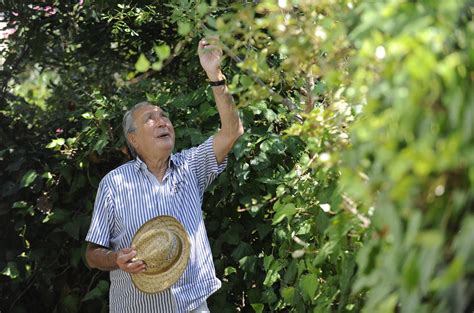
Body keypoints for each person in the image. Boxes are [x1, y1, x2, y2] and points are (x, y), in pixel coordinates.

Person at [84, 37, 244, 313]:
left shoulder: (190, 166)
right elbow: (91, 255)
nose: (162, 121)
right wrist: (116, 259)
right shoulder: (114, 183)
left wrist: (215, 76)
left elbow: (232, 132)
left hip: (193, 305)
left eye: (164, 116)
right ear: (133, 140)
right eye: (150, 119)